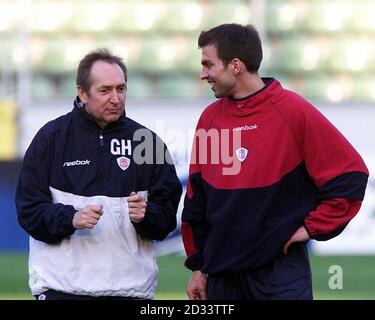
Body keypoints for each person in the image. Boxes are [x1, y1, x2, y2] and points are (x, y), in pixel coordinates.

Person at [181, 23, 369, 300]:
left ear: (235, 65)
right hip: (221, 277)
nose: (203, 74)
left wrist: (310, 228)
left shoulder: (292, 110)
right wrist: (198, 268)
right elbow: (198, 199)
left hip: (279, 275)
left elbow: (350, 175)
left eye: (208, 65)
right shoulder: (210, 119)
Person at [15, 48, 182, 300]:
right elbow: (29, 212)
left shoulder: (148, 143)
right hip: (62, 289)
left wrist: (147, 215)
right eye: (105, 90)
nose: (115, 98)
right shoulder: (50, 139)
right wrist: (71, 218)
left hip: (130, 291)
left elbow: (167, 219)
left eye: (121, 89)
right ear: (82, 93)